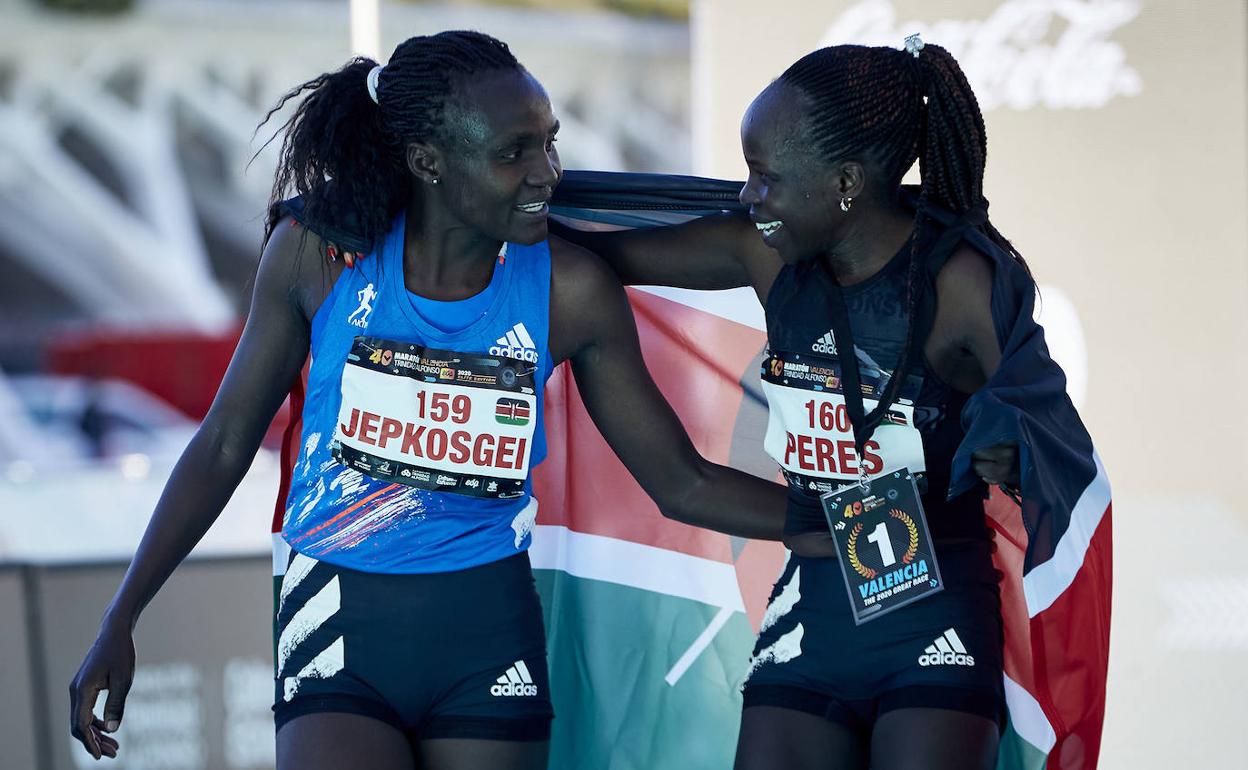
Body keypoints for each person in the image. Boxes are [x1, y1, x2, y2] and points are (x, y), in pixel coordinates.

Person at [67, 30, 785, 770]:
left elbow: (679, 481)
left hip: (485, 644)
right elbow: (223, 443)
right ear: (427, 162)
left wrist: (844, 524)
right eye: (514, 152)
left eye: (549, 143)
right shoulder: (318, 254)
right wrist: (122, 615)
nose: (547, 174)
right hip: (335, 627)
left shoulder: (569, 291)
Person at [556, 39, 1030, 770]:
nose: (747, 197)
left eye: (765, 178)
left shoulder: (964, 280)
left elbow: (1042, 426)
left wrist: (1009, 447)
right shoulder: (764, 254)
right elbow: (599, 254)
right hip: (811, 612)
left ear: (845, 182)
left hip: (935, 619)